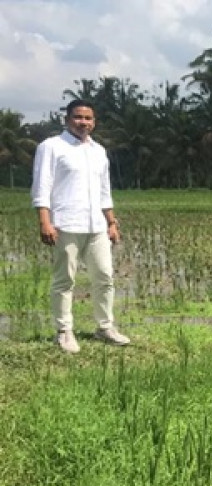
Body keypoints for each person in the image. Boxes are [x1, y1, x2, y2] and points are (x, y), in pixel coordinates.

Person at [31, 99, 131, 353]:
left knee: (104, 276)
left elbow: (104, 191)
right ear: (66, 120)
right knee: (65, 280)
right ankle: (64, 331)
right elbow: (42, 186)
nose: (83, 123)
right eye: (78, 117)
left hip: (96, 224)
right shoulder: (52, 147)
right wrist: (45, 222)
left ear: (94, 122)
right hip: (66, 223)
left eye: (88, 118)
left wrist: (111, 222)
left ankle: (105, 327)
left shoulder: (98, 151)